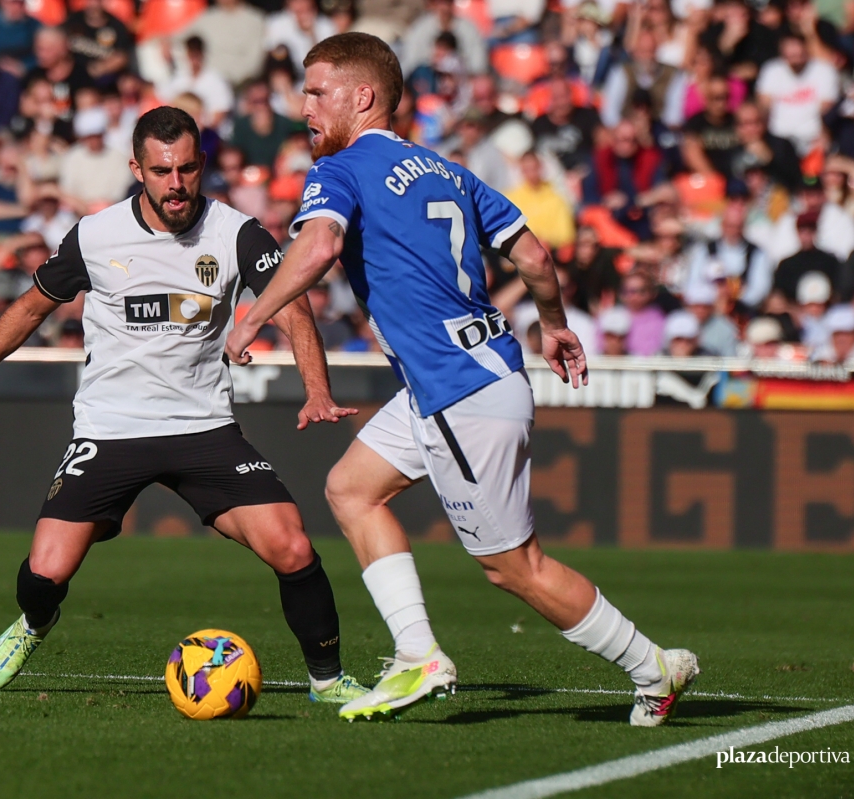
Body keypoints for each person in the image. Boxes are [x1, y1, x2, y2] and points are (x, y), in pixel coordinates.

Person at [226, 32, 698, 725]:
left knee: (515, 568)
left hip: (458, 391)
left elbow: (320, 244)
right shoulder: (447, 171)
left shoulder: (344, 168)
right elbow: (533, 254)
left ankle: (653, 666)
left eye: (317, 90)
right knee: (350, 488)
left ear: (363, 97)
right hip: (464, 378)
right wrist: (554, 322)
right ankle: (418, 650)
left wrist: (254, 314)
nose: (305, 106)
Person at [0, 106, 369, 706]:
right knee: (45, 573)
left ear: (201, 165)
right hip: (111, 429)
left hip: (203, 428)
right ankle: (34, 624)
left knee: (293, 546)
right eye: (161, 171)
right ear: (137, 169)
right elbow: (28, 309)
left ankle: (328, 682)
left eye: (185, 169)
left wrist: (317, 390)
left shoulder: (236, 232)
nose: (175, 184)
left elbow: (294, 308)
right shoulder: (96, 235)